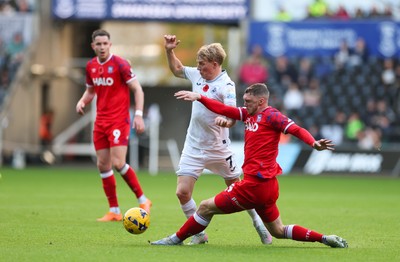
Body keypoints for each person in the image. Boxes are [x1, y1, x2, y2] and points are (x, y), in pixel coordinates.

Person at [151, 83, 348, 248]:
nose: (244, 104)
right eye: (244, 101)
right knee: (278, 231)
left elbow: (295, 129)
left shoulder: (272, 116)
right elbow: (224, 109)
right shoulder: (248, 114)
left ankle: (175, 239)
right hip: (268, 186)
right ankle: (324, 238)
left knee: (204, 207)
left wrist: (313, 143)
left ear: (261, 101)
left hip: (255, 185)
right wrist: (200, 98)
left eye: (248, 101)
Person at [163, 35, 272, 245]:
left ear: (214, 64)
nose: (198, 68)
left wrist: (226, 121)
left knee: (239, 189)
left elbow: (233, 115)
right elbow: (177, 69)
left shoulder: (226, 85)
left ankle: (257, 222)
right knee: (182, 192)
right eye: (198, 64)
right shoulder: (197, 75)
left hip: (218, 148)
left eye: (202, 65)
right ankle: (198, 234)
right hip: (193, 145)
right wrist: (169, 50)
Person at [75, 29, 151, 222]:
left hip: (118, 120)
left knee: (118, 163)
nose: (101, 47)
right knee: (103, 164)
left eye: (105, 44)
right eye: (98, 44)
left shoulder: (120, 64)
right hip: (100, 122)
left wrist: (139, 115)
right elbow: (91, 91)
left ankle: (143, 200)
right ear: (93, 46)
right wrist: (82, 101)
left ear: (110, 45)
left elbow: (138, 89)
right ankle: (114, 210)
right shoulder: (91, 66)